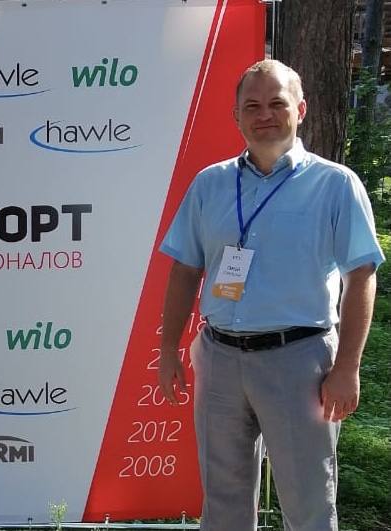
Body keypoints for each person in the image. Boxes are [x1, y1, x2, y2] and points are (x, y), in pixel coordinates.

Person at [156, 59, 384, 531]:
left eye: (277, 103)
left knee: (308, 504)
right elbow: (184, 269)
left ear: (300, 109)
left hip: (299, 362)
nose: (265, 115)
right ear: (236, 116)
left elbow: (362, 276)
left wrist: (347, 368)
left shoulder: (335, 184)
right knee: (223, 504)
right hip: (219, 359)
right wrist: (168, 349)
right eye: (252, 106)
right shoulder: (210, 184)